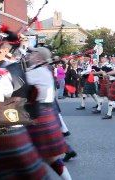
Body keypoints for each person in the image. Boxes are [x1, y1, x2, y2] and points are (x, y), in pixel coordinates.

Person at [0, 42, 48, 179]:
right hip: (19, 131)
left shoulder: (1, 74)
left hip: (3, 135)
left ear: (5, 51)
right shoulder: (19, 69)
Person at [26, 47, 72, 179]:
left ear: (39, 57)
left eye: (33, 53)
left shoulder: (36, 72)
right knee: (50, 158)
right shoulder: (42, 70)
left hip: (36, 116)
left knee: (24, 155)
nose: (30, 55)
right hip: (44, 114)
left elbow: (15, 85)